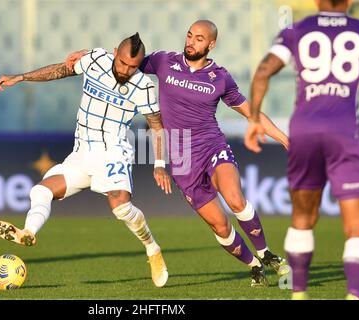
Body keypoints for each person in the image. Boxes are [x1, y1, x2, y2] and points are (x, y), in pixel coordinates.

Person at [67, 21, 289, 287]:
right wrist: (89, 53)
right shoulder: (164, 62)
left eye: (199, 38)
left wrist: (285, 139)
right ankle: (253, 266)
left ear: (211, 44)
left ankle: (266, 254)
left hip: (212, 145)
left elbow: (251, 112)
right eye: (189, 36)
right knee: (219, 226)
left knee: (235, 199)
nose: (191, 42)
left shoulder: (219, 77)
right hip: (181, 155)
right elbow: (126, 58)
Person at [0, 33, 171, 288]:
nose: (127, 70)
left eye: (133, 66)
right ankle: (28, 232)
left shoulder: (143, 86)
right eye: (122, 63)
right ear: (113, 52)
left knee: (120, 208)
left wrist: (160, 164)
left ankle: (152, 248)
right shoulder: (95, 60)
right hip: (81, 153)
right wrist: (20, 77)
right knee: (41, 191)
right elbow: (60, 70)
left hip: (113, 152)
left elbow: (156, 125)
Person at [246, 0, 359, 299]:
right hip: (345, 131)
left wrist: (256, 119)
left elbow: (262, 72)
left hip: (305, 131)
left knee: (302, 217)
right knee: (356, 224)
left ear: (317, 2)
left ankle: (299, 293)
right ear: (349, 2)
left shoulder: (297, 30)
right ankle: (355, 293)